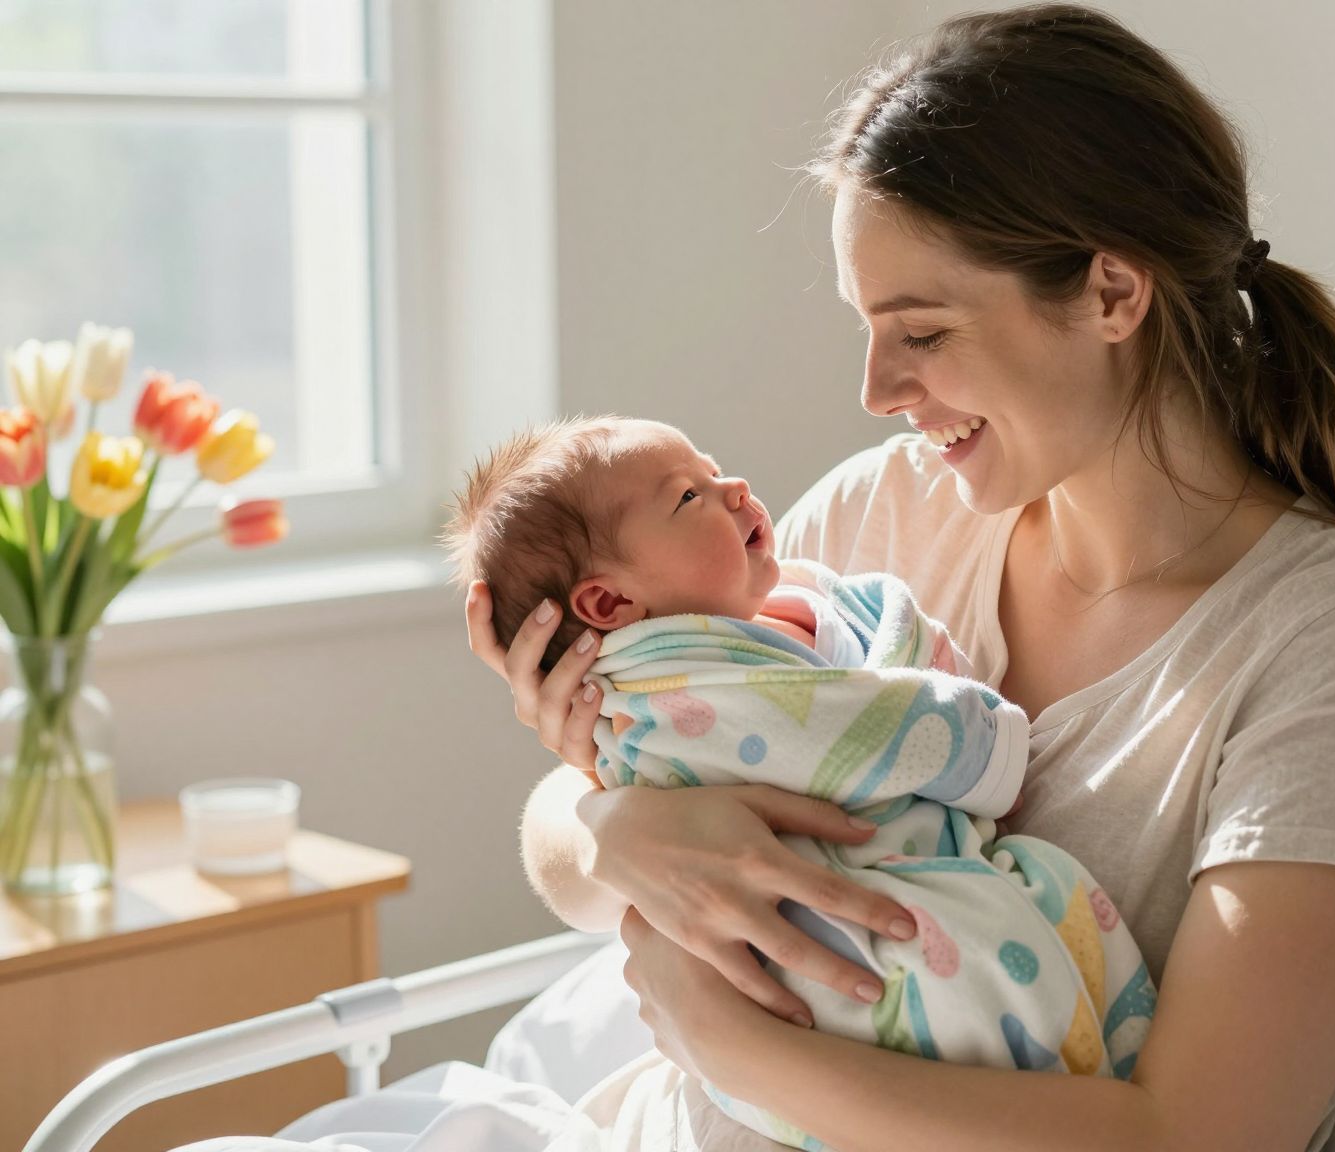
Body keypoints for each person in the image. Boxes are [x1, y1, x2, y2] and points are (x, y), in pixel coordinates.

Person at [470, 6, 1335, 1149]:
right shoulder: (889, 511)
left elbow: (1201, 1136)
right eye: (867, 328)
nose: (875, 387)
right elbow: (581, 846)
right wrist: (611, 826)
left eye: (919, 330)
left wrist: (727, 1044)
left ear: (1112, 294)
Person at [443, 415, 1155, 1148]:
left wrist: (722, 1036)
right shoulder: (680, 683)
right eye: (690, 497)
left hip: (781, 1054)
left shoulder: (776, 596)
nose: (735, 489)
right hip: (829, 975)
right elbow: (850, 729)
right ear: (610, 605)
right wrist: (601, 806)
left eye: (714, 470)